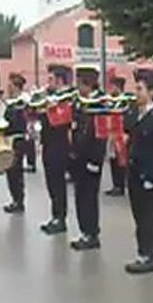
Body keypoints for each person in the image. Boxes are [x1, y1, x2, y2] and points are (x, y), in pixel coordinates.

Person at [125, 73, 153, 274]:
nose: (136, 93)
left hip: (149, 173)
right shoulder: (136, 112)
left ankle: (150, 256)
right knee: (138, 214)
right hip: (134, 170)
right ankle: (141, 251)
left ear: (151, 92)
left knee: (149, 215)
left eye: (140, 89)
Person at [70, 74, 107, 250]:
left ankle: (92, 233)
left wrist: (95, 161)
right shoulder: (81, 103)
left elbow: (100, 136)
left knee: (89, 197)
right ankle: (84, 231)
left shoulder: (99, 105)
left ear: (88, 85)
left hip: (91, 159)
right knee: (80, 196)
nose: (78, 88)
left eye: (80, 84)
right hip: (79, 157)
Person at [39, 67, 73, 235]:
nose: (48, 83)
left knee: (58, 183)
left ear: (60, 81)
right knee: (51, 182)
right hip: (48, 144)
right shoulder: (51, 98)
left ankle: (60, 218)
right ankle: (55, 215)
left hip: (60, 146)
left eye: (51, 79)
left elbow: (60, 120)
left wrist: (47, 108)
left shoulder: (66, 99)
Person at [2, 73, 29, 214]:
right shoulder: (11, 102)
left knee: (15, 172)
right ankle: (15, 199)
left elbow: (18, 123)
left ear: (17, 87)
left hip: (17, 140)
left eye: (11, 85)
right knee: (10, 171)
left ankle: (19, 201)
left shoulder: (21, 103)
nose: (8, 87)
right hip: (9, 140)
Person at [104, 76, 128, 197]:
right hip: (112, 133)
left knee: (120, 161)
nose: (110, 89)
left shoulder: (124, 101)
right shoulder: (112, 100)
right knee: (113, 160)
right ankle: (116, 184)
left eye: (112, 86)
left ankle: (121, 185)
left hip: (120, 134)